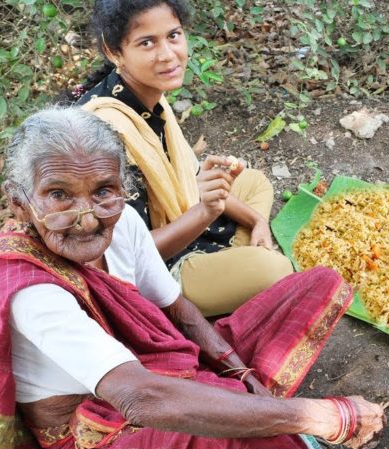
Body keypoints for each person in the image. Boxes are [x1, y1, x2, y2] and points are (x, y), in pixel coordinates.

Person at [0, 107, 386, 449]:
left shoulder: (121, 223)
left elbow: (179, 311)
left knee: (316, 286)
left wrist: (240, 375)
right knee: (227, 441)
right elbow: (139, 397)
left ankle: (247, 410)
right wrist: (321, 416)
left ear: (123, 189)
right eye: (59, 195)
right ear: (20, 204)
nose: (87, 218)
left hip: (161, 374)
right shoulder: (27, 287)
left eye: (104, 191)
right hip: (99, 444)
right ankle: (250, 423)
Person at [69, 0, 292, 316]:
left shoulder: (146, 96)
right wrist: (204, 212)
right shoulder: (102, 136)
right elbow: (128, 255)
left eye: (173, 36)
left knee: (254, 183)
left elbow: (192, 180)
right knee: (275, 270)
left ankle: (233, 263)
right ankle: (202, 292)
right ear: (113, 51)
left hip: (181, 222)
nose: (167, 55)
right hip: (154, 270)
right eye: (147, 43)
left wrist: (256, 221)